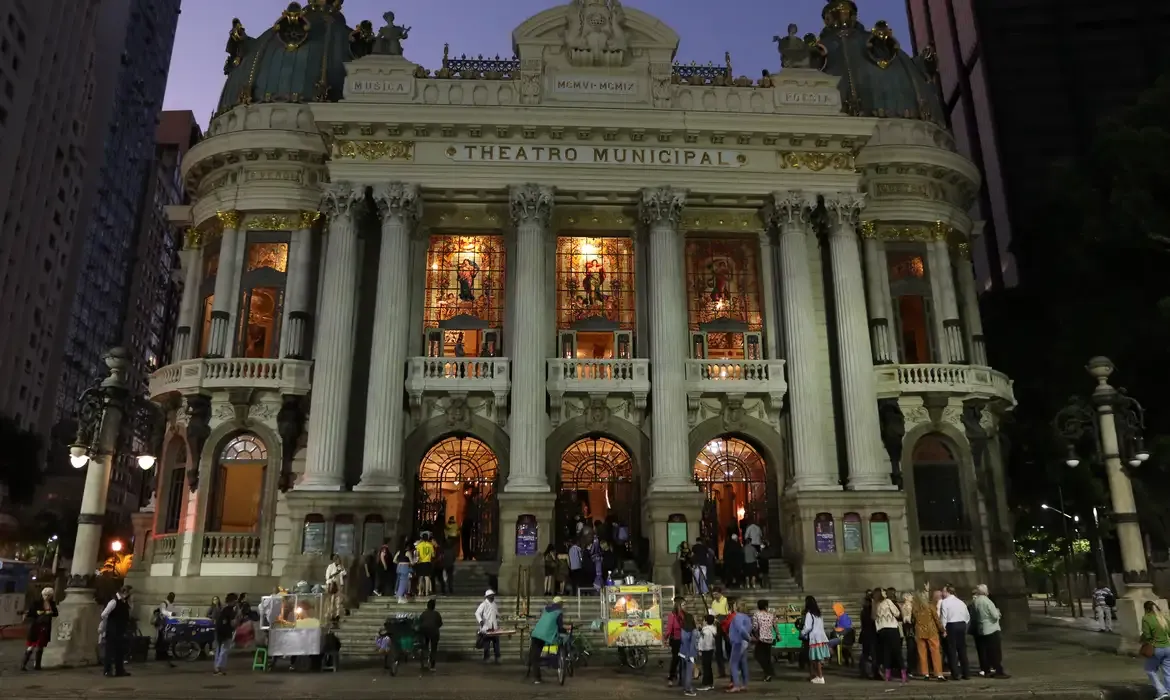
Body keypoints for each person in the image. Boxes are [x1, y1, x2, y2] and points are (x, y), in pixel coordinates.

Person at [972, 584, 1008, 678]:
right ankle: (998, 670)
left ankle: (986, 670)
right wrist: (998, 613)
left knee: (985, 651)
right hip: (992, 628)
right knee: (995, 651)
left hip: (982, 627)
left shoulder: (976, 601)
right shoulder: (988, 601)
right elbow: (995, 616)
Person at [528, 596, 566, 684]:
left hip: (536, 633)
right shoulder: (559, 612)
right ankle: (555, 663)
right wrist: (564, 630)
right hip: (546, 635)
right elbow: (560, 626)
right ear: (560, 604)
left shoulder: (545, 609)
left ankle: (537, 679)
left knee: (534, 657)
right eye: (562, 603)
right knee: (558, 645)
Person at [938, 584, 971, 681]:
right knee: (962, 649)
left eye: (943, 591)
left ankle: (956, 674)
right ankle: (966, 673)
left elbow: (944, 617)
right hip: (961, 624)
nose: (942, 593)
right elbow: (967, 616)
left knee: (951, 650)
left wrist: (943, 630)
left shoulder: (945, 602)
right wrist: (964, 625)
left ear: (947, 592)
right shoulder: (961, 602)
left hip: (951, 625)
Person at [912, 589, 946, 680]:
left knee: (922, 653)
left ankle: (925, 673)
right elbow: (936, 619)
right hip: (931, 631)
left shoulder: (915, 609)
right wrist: (942, 630)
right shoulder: (930, 606)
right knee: (935, 652)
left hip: (919, 632)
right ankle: (938, 673)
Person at [21, 586, 58, 671]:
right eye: (45, 595)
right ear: (42, 594)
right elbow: (30, 613)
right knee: (32, 645)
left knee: (41, 646)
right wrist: (39, 613)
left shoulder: (52, 603)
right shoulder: (36, 603)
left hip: (45, 627)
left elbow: (56, 613)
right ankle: (23, 664)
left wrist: (50, 612)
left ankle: (37, 665)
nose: (47, 597)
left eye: (49, 595)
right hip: (36, 626)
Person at [874, 588, 906, 683]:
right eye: (883, 592)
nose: (885, 593)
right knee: (897, 652)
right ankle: (903, 675)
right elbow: (897, 613)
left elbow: (875, 619)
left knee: (886, 652)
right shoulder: (888, 601)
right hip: (892, 628)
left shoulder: (876, 604)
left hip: (881, 630)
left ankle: (887, 675)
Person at [101, 586, 133, 678]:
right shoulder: (114, 602)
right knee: (110, 651)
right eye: (128, 593)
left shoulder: (124, 602)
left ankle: (120, 670)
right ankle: (107, 670)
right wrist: (109, 623)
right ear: (124, 592)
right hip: (113, 630)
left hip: (120, 630)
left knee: (120, 651)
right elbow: (104, 614)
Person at [1141, 600, 1170, 698]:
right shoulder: (1163, 618)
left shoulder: (1146, 618)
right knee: (1168, 672)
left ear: (1146, 609)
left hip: (1156, 648)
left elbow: (1147, 636)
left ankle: (1162, 691)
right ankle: (1168, 692)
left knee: (1149, 669)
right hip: (1168, 648)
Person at [801, 595, 829, 684]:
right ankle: (816, 676)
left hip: (814, 638)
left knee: (816, 659)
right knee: (816, 658)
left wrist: (802, 633)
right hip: (821, 637)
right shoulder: (818, 614)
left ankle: (820, 677)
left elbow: (807, 627)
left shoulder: (809, 614)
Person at [727, 600, 753, 692]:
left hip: (738, 642)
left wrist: (748, 638)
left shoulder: (737, 617)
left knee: (733, 664)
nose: (733, 607)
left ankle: (736, 685)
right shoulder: (747, 617)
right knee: (743, 664)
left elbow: (741, 630)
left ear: (737, 607)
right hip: (744, 643)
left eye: (734, 605)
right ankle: (745, 684)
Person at [213, 593, 238, 675]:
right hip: (225, 632)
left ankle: (218, 667)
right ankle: (219, 667)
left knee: (219, 650)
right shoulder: (229, 610)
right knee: (224, 650)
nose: (236, 602)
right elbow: (232, 623)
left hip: (220, 631)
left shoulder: (223, 609)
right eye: (235, 601)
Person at [751, 599, 776, 681]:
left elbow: (755, 627)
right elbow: (775, 625)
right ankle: (768, 674)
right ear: (766, 606)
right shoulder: (771, 615)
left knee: (758, 655)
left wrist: (754, 634)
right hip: (769, 638)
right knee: (767, 657)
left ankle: (768, 672)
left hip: (761, 638)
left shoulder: (756, 614)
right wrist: (778, 635)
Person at [664, 597, 687, 686]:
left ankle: (681, 678)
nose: (685, 606)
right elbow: (669, 628)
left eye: (685, 604)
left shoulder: (685, 615)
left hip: (684, 639)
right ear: (678, 605)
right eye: (683, 605)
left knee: (683, 659)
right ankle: (671, 677)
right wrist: (665, 638)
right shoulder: (672, 615)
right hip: (675, 640)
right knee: (676, 659)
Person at [708, 587, 730, 677]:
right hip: (717, 625)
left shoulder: (725, 600)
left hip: (724, 625)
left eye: (716, 594)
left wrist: (721, 617)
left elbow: (727, 613)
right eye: (713, 594)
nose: (715, 596)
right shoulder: (713, 602)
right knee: (718, 649)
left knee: (729, 646)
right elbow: (712, 613)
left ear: (720, 593)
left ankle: (733, 668)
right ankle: (721, 671)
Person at [475, 589, 501, 663]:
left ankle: (497, 657)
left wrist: (499, 616)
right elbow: (477, 613)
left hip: (494, 627)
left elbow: (496, 613)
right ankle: (486, 658)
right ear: (487, 597)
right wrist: (480, 621)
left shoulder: (494, 604)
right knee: (487, 644)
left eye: (493, 596)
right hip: (486, 627)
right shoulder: (483, 604)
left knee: (496, 643)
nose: (493, 597)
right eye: (491, 596)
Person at [679, 607, 699, 697]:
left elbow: (682, 641)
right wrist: (690, 655)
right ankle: (688, 689)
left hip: (682, 652)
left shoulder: (682, 629)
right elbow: (692, 644)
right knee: (689, 672)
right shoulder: (693, 631)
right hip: (689, 653)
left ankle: (684, 686)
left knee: (683, 670)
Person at [419, 598, 442, 670]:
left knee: (424, 647)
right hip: (434, 632)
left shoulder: (423, 614)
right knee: (433, 649)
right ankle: (432, 666)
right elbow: (440, 623)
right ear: (434, 606)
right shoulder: (436, 614)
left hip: (424, 631)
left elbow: (420, 622)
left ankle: (424, 663)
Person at [697, 614, 718, 691]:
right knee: (708, 667)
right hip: (711, 649)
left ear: (706, 621)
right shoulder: (713, 629)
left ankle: (706, 684)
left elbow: (703, 641)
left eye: (703, 620)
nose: (702, 622)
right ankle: (710, 683)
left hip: (705, 650)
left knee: (706, 667)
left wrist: (700, 650)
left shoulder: (706, 631)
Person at [153, 592, 175, 662]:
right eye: (171, 597)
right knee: (161, 639)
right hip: (162, 624)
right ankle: (159, 655)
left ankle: (164, 653)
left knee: (165, 639)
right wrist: (171, 613)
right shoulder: (164, 603)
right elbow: (163, 611)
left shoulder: (170, 604)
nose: (172, 599)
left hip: (166, 624)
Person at [326, 554, 347, 621]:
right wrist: (336, 573)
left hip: (339, 585)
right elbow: (328, 576)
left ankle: (337, 615)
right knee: (332, 601)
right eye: (337, 559)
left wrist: (342, 568)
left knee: (338, 601)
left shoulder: (340, 566)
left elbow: (344, 573)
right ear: (334, 560)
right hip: (333, 584)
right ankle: (331, 614)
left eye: (339, 560)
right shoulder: (330, 566)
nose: (339, 561)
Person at [900, 592, 917, 676]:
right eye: (910, 596)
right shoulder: (907, 606)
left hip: (909, 629)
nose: (912, 597)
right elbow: (907, 619)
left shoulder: (906, 606)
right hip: (910, 630)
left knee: (912, 649)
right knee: (911, 649)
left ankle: (912, 668)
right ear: (906, 597)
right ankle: (911, 669)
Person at [415, 533, 436, 598]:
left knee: (420, 577)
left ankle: (420, 592)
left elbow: (417, 554)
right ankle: (426, 592)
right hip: (427, 562)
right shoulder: (430, 545)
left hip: (420, 562)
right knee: (427, 578)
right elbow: (433, 555)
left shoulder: (419, 545)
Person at [394, 538, 413, 604]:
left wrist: (399, 563)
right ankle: (400, 597)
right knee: (404, 582)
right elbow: (412, 562)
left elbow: (394, 560)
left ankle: (402, 596)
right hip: (405, 568)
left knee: (400, 581)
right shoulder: (408, 552)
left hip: (399, 567)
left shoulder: (399, 552)